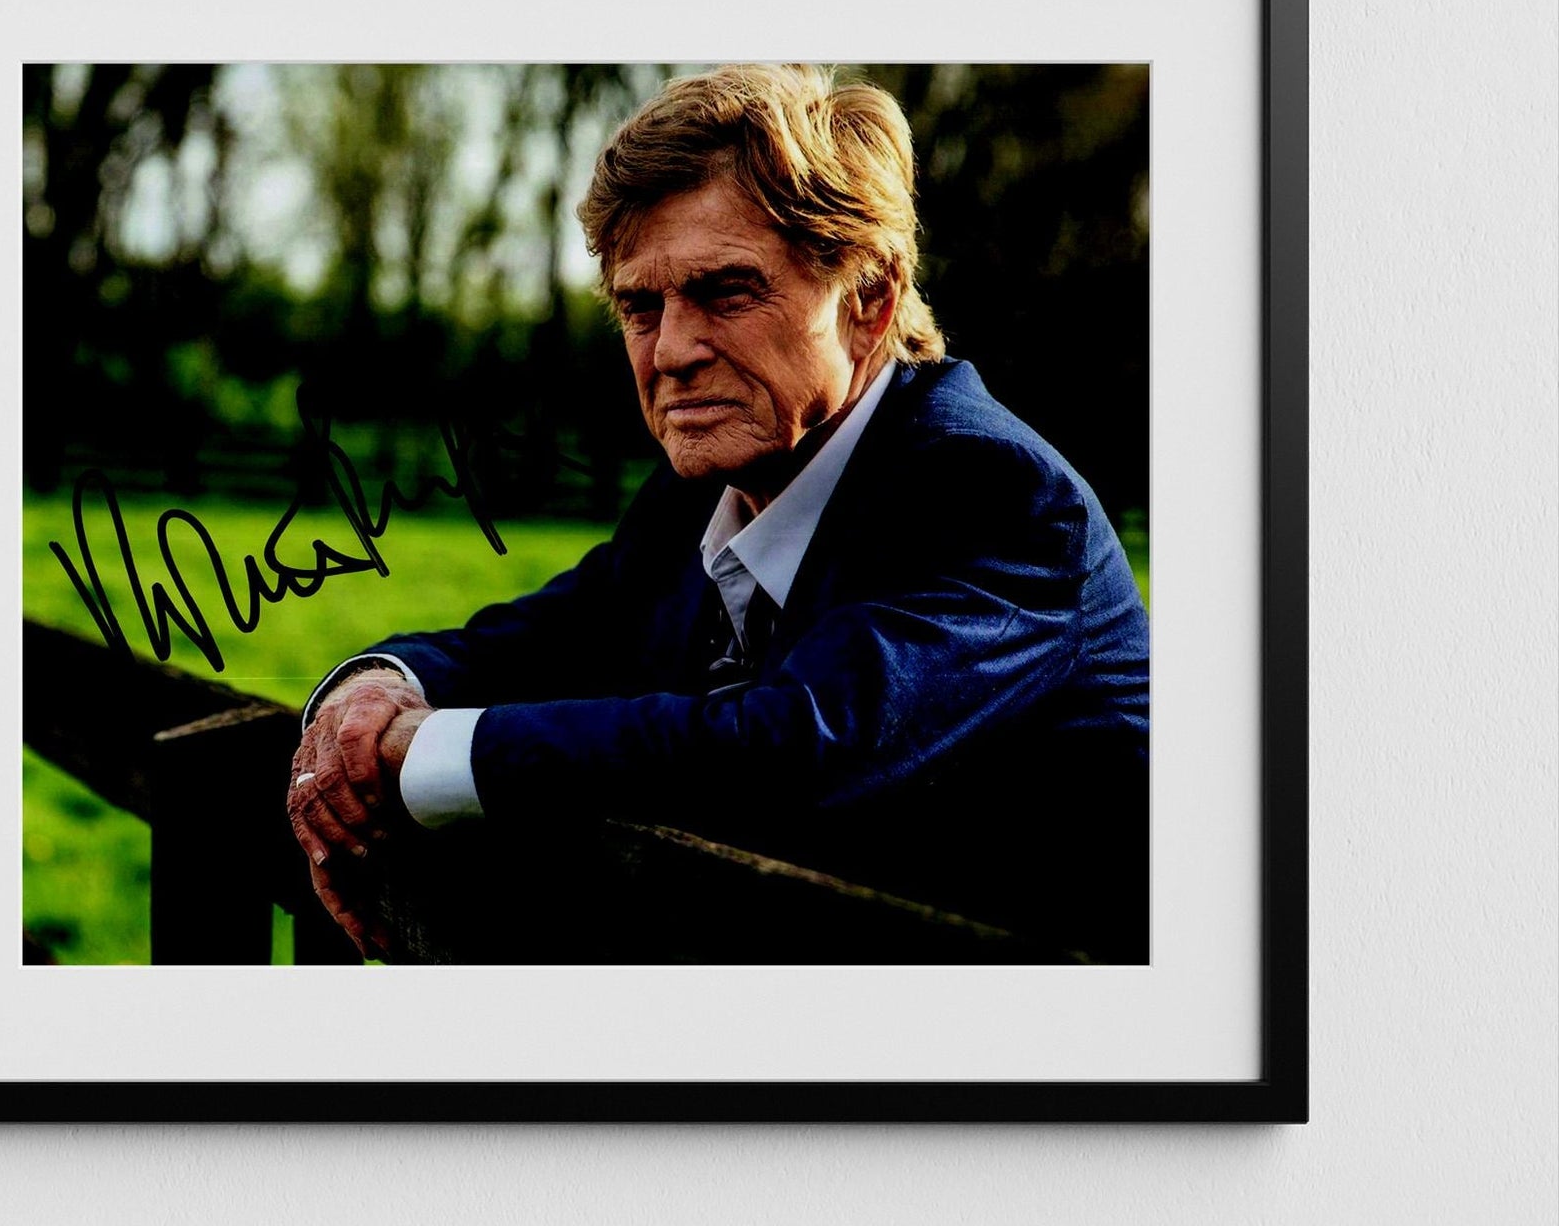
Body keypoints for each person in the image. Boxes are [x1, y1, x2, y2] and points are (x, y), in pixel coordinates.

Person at [287, 64, 1149, 961]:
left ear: (869, 301)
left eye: (728, 292)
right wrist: (374, 692)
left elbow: (794, 748)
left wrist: (417, 758)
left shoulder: (992, 491)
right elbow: (541, 641)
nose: (672, 350)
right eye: (639, 305)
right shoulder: (706, 487)